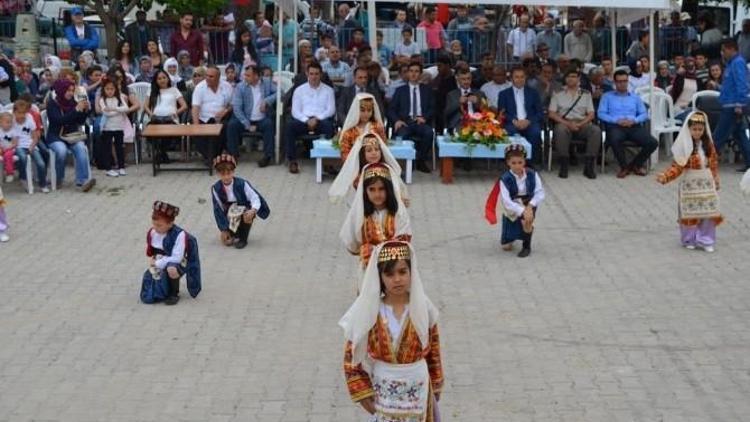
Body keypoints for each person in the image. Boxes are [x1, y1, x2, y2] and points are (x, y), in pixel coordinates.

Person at [340, 241, 443, 422]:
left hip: (418, 392)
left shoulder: (423, 307)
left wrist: (435, 386)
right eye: (389, 274)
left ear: (412, 273)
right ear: (380, 277)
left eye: (402, 272)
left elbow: (434, 351)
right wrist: (363, 394)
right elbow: (351, 354)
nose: (397, 279)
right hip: (384, 393)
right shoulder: (369, 311)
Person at [656, 112, 722, 252]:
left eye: (700, 129)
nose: (697, 132)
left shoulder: (708, 145)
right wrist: (666, 176)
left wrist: (716, 179)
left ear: (704, 130)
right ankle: (689, 239)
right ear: (689, 129)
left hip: (706, 183)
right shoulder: (684, 146)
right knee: (689, 213)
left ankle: (706, 240)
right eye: (694, 129)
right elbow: (677, 166)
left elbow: (714, 163)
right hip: (689, 184)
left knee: (708, 212)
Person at [339, 163, 412, 270]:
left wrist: (379, 251)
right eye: (372, 189)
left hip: (393, 268)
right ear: (365, 191)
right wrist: (366, 250)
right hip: (368, 267)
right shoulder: (359, 213)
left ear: (388, 189)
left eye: (381, 189)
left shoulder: (398, 213)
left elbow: (404, 238)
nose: (377, 194)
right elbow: (351, 242)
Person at [484, 143, 545, 258]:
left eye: (520, 163)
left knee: (527, 221)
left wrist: (530, 206)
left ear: (524, 162)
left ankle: (526, 246)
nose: (517, 166)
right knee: (506, 247)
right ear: (508, 163)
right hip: (513, 205)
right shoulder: (505, 179)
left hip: (529, 203)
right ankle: (510, 238)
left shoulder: (532, 174)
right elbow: (507, 201)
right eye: (513, 163)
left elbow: (539, 192)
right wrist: (522, 210)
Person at [597, 69, 658, 178]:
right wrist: (616, 120)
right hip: (615, 126)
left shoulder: (635, 97)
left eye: (625, 81)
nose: (622, 84)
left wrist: (634, 120)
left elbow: (644, 114)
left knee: (652, 142)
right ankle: (624, 167)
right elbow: (601, 114)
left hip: (633, 125)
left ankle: (635, 165)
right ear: (615, 83)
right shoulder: (607, 96)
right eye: (619, 81)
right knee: (615, 140)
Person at [141, 201, 201, 305]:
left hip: (181, 259)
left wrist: (159, 263)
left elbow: (177, 257)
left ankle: (174, 293)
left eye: (159, 225)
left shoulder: (179, 235)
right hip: (161, 258)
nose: (155, 228)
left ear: (170, 224)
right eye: (154, 224)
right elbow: (152, 251)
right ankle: (160, 291)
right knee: (152, 274)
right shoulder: (153, 233)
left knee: (171, 269)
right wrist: (153, 259)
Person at [548, 67, 601, 179]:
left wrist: (580, 124)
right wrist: (568, 124)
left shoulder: (586, 94)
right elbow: (552, 113)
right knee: (560, 130)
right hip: (564, 122)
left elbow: (591, 114)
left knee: (595, 130)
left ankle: (589, 166)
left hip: (582, 123)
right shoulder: (557, 93)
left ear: (579, 79)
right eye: (568, 77)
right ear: (565, 79)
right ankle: (564, 165)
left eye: (574, 76)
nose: (571, 79)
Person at [330, 133, 409, 206]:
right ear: (362, 154)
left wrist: (400, 199)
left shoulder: (387, 169)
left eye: (377, 149)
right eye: (369, 150)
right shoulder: (358, 174)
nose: (374, 153)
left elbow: (395, 189)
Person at [284, 62, 335, 174]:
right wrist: (306, 120)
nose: (314, 76)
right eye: (311, 73)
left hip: (321, 120)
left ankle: (327, 162)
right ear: (307, 73)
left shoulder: (328, 90)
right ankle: (292, 161)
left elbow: (331, 110)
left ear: (321, 74)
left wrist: (317, 119)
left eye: (317, 74)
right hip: (303, 120)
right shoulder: (299, 90)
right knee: (290, 127)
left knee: (329, 127)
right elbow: (295, 111)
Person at [211, 154, 270, 249]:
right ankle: (233, 233)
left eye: (229, 173)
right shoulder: (216, 188)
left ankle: (243, 239)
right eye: (223, 174)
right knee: (228, 236)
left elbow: (255, 197)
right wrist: (223, 229)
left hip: (244, 210)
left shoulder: (242, 184)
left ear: (233, 172)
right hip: (229, 213)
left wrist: (253, 210)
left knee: (246, 215)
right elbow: (218, 209)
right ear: (218, 174)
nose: (226, 177)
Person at [388, 62, 435, 173]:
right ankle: (405, 162)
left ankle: (420, 160)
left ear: (420, 74)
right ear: (408, 73)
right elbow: (391, 109)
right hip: (405, 122)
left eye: (416, 71)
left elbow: (433, 108)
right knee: (401, 135)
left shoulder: (427, 90)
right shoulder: (400, 90)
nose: (414, 74)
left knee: (429, 133)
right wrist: (397, 120)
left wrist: (425, 118)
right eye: (411, 71)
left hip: (420, 121)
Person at [226, 65, 276, 167]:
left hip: (261, 118)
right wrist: (247, 124)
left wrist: (267, 101)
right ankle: (233, 155)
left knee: (269, 125)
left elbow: (280, 93)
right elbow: (237, 108)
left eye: (248, 75)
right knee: (232, 125)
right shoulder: (240, 87)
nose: (245, 77)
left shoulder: (266, 82)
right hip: (245, 117)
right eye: (245, 75)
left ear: (257, 76)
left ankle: (268, 156)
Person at [712, 39, 750, 172]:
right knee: (739, 135)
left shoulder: (738, 63)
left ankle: (706, 162)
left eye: (724, 50)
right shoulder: (731, 64)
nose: (722, 53)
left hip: (733, 106)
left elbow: (743, 85)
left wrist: (740, 104)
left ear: (731, 49)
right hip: (730, 103)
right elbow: (730, 86)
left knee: (719, 135)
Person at [497, 67, 544, 164]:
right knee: (510, 132)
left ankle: (530, 163)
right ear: (511, 78)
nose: (519, 79)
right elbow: (502, 113)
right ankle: (511, 163)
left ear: (525, 78)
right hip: (512, 123)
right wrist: (514, 121)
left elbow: (539, 113)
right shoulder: (503, 94)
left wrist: (528, 121)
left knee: (535, 133)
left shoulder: (533, 93)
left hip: (529, 122)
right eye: (517, 77)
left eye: (522, 77)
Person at [190, 65, 234, 161]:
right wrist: (196, 125)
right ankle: (209, 157)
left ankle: (215, 155)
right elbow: (195, 107)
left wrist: (226, 110)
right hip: (203, 118)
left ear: (218, 77)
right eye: (206, 76)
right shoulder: (200, 87)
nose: (207, 78)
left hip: (221, 118)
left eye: (211, 76)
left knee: (228, 127)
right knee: (196, 131)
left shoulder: (227, 86)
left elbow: (232, 104)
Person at [145, 69, 188, 165]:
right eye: (159, 78)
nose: (162, 80)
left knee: (167, 132)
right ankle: (162, 154)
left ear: (168, 79)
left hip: (170, 119)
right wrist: (150, 114)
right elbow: (145, 106)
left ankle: (160, 154)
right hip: (156, 118)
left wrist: (176, 113)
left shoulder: (174, 90)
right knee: (151, 131)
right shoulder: (152, 90)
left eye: (164, 77)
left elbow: (184, 106)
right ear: (156, 80)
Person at [96, 78, 130, 177]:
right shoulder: (102, 100)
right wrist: (118, 111)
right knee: (107, 148)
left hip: (119, 127)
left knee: (120, 147)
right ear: (104, 89)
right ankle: (108, 168)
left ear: (115, 89)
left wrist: (114, 109)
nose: (110, 91)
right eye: (107, 89)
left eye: (112, 89)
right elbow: (106, 113)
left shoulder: (120, 98)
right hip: (107, 128)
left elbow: (126, 108)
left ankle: (121, 167)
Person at [338, 93, 386, 162]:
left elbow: (383, 149)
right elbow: (344, 152)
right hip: (354, 167)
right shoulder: (349, 131)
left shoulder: (378, 128)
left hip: (374, 166)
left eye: (369, 110)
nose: (366, 114)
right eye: (362, 110)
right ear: (356, 110)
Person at [444, 68, 487, 133]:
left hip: (477, 123)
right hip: (459, 123)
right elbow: (446, 113)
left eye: (468, 79)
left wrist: (477, 103)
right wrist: (458, 103)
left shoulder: (480, 93)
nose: (466, 82)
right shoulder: (451, 94)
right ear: (458, 80)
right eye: (463, 79)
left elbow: (486, 111)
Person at [0, 112, 17, 182]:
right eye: (7, 122)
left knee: (7, 155)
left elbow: (15, 143)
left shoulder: (13, 131)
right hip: (1, 149)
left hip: (11, 149)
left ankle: (10, 173)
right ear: (0, 123)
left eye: (10, 122)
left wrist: (8, 148)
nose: (9, 124)